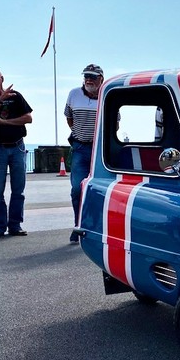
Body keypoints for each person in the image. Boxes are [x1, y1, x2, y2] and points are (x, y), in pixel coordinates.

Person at [0, 69, 33, 238]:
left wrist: (5, 122)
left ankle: (15, 225)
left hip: (17, 147)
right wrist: (0, 100)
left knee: (18, 189)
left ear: (2, 78)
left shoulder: (16, 96)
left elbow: (28, 118)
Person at [65, 63, 103, 245]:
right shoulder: (74, 94)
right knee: (76, 189)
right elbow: (69, 118)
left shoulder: (107, 95)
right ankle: (78, 225)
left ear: (100, 78)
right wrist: (80, 134)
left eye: (93, 76)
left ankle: (96, 226)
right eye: (86, 76)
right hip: (80, 148)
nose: (88, 79)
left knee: (99, 190)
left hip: (100, 151)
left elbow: (115, 124)